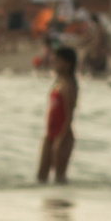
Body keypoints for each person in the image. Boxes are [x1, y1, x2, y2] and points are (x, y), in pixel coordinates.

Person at [37, 44, 77, 183]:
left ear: (68, 64)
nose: (55, 64)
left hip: (63, 135)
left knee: (59, 178)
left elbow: (69, 115)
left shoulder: (69, 86)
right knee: (41, 176)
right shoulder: (58, 82)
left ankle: (61, 202)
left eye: (58, 61)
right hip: (50, 133)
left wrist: (61, 138)